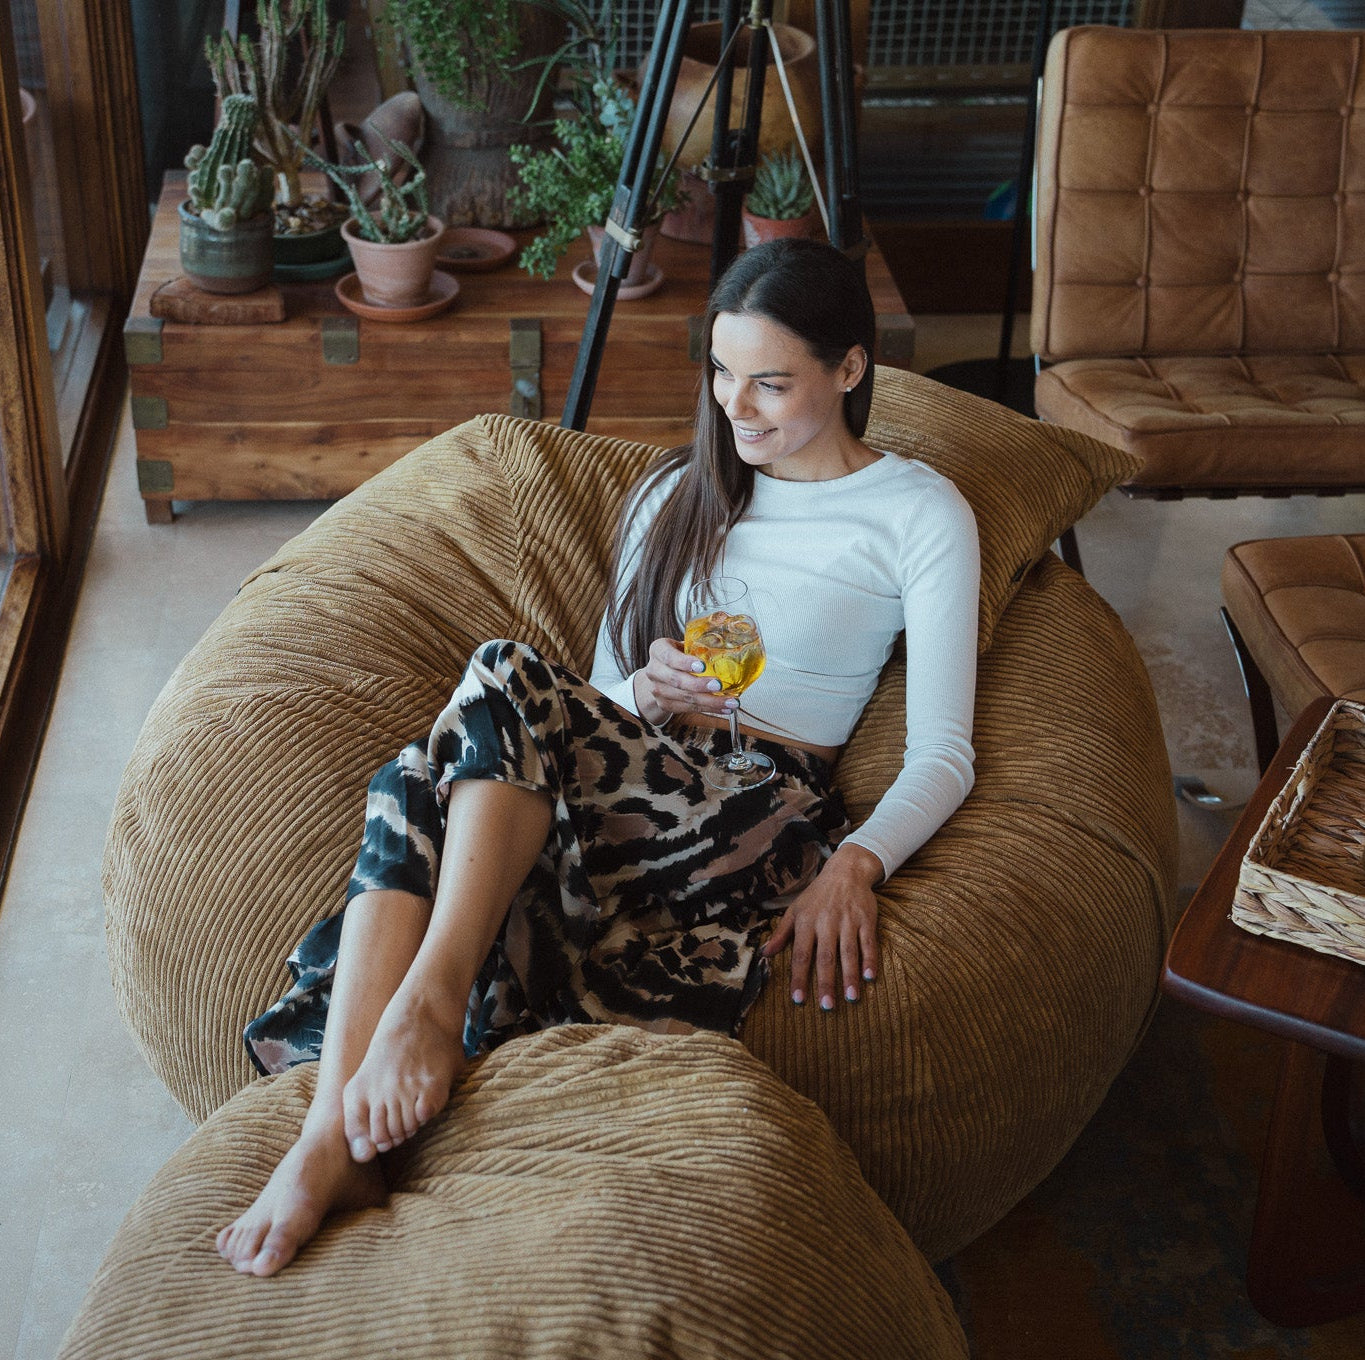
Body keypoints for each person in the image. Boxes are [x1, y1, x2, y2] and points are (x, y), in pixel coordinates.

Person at [216, 237, 979, 1277]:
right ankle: (328, 1142)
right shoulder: (677, 493)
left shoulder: (917, 512)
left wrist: (857, 864)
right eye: (720, 372)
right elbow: (593, 697)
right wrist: (643, 693)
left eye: (770, 382)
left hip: (756, 812)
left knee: (493, 680)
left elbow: (943, 751)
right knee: (421, 774)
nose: (735, 405)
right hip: (637, 773)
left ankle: (420, 1015)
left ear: (850, 368)